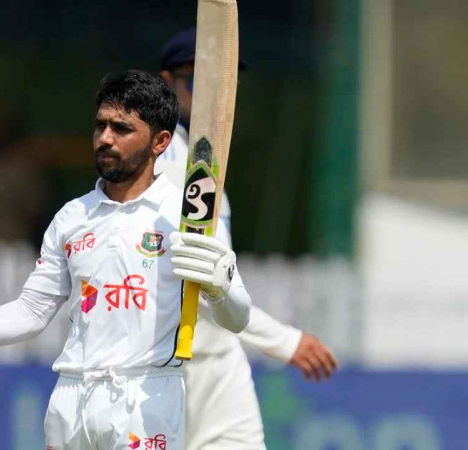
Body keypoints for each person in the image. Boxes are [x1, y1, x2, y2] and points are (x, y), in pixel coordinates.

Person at [0, 70, 253, 450]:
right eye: (100, 125)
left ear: (160, 141)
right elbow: (31, 312)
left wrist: (221, 286)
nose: (105, 138)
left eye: (122, 128)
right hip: (71, 398)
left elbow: (238, 318)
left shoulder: (186, 218)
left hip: (146, 396)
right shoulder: (72, 217)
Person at [158, 29, 338, 449]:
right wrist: (285, 341)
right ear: (167, 83)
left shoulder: (200, 158)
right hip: (171, 366)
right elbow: (203, 280)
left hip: (219, 361)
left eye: (224, 85)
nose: (214, 97)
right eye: (197, 82)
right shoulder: (163, 163)